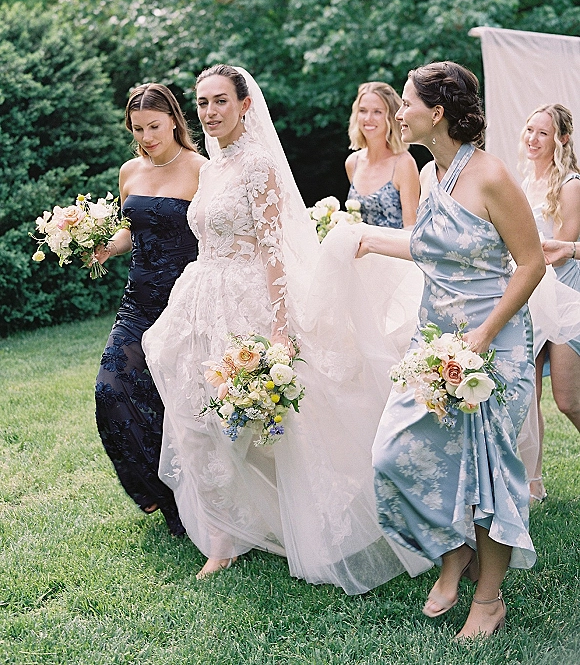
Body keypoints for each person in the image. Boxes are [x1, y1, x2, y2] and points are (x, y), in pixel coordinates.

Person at [142, 64, 431, 590]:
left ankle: (303, 517)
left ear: (244, 105)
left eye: (220, 101)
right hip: (201, 295)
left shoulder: (260, 167)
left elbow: (275, 251)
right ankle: (225, 534)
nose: (209, 111)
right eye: (202, 102)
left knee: (270, 422)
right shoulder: (210, 168)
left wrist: (279, 327)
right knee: (196, 410)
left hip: (249, 298)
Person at [359, 61, 545, 638]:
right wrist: (360, 241)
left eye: (407, 103)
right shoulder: (436, 173)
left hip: (493, 343)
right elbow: (432, 247)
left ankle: (488, 598)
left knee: (488, 472)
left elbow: (532, 262)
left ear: (436, 113)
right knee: (392, 454)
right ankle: (452, 552)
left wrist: (484, 335)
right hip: (433, 339)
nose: (398, 113)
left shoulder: (489, 175)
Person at [94, 83, 205, 536]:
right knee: (110, 391)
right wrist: (105, 247)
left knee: (175, 403)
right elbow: (131, 232)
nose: (147, 137)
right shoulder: (129, 172)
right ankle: (157, 494)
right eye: (138, 129)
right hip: (137, 303)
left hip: (183, 302)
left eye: (154, 127)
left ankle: (193, 503)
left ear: (175, 121)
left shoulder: (202, 170)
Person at [519, 104, 580, 504]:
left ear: (561, 138)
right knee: (528, 395)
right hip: (530, 293)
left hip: (563, 298)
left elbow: (560, 249)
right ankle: (533, 481)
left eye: (543, 133)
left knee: (567, 398)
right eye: (529, 130)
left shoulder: (570, 184)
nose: (532, 139)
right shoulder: (523, 180)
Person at [345, 81, 420, 227]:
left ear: (391, 117)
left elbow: (412, 228)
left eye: (377, 112)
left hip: (392, 249)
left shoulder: (403, 163)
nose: (368, 118)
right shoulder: (352, 163)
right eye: (363, 111)